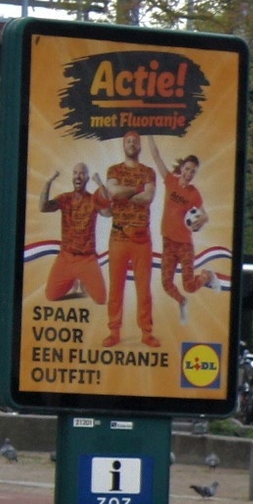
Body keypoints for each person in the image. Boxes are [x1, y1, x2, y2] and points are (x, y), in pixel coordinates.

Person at [99, 132, 158, 348]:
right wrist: (136, 190)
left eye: (135, 142)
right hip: (119, 236)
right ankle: (114, 331)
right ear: (124, 145)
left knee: (144, 289)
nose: (132, 144)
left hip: (142, 238)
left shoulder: (149, 172)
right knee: (116, 287)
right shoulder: (114, 170)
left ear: (140, 146)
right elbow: (113, 191)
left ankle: (147, 332)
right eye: (128, 141)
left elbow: (148, 197)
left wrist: (123, 194)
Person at [146, 137, 207, 325]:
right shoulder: (170, 181)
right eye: (187, 169)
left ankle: (206, 276)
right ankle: (182, 302)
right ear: (182, 168)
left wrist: (198, 223)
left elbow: (205, 216)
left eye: (193, 172)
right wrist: (150, 134)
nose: (189, 174)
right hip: (168, 242)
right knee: (166, 284)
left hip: (185, 245)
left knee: (188, 285)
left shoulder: (194, 193)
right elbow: (155, 155)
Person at [38, 164, 107, 305]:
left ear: (87, 178)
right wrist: (48, 182)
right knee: (51, 295)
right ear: (72, 177)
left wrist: (100, 185)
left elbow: (108, 213)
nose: (78, 176)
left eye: (82, 173)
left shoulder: (93, 199)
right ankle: (72, 280)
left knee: (101, 299)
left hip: (87, 258)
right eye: (75, 173)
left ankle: (83, 280)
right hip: (66, 257)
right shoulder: (65, 198)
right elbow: (43, 207)